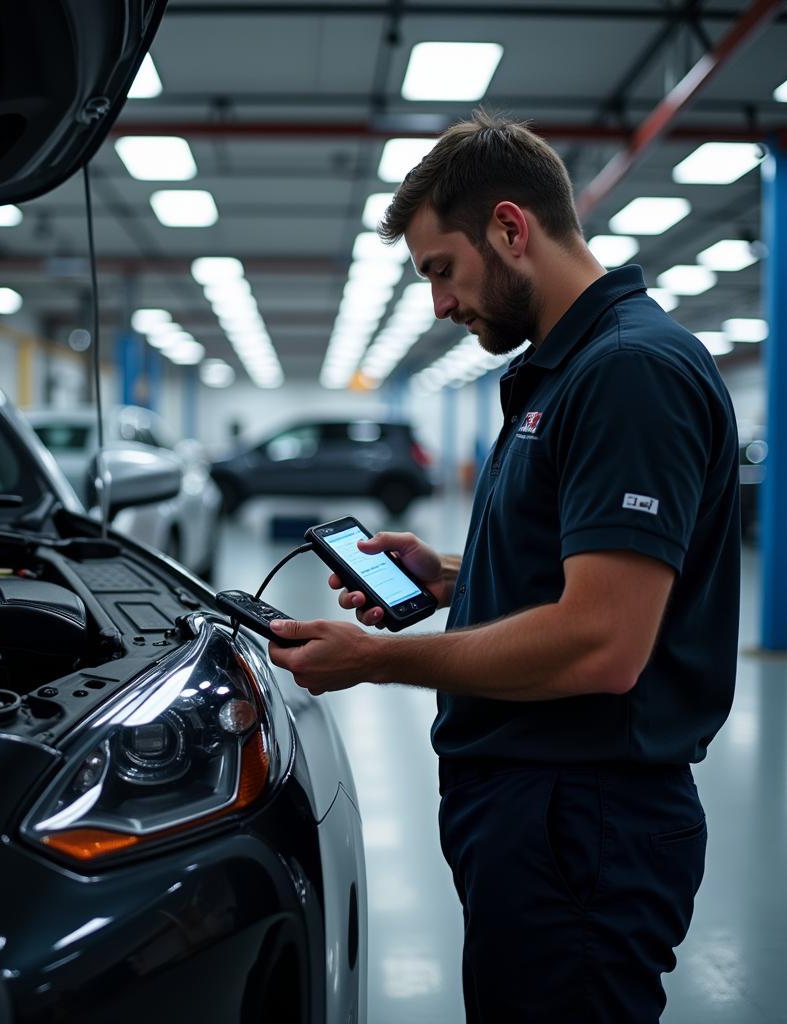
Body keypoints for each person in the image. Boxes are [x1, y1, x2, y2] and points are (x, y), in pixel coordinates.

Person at [267, 109, 740, 1022]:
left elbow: (603, 643)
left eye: (441, 270)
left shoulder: (628, 372)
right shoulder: (565, 374)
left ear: (510, 229)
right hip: (544, 814)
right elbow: (587, 573)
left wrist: (377, 660)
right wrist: (452, 573)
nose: (440, 303)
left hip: (584, 822)